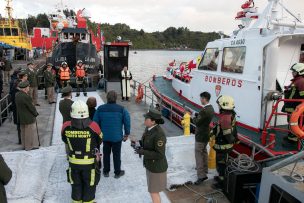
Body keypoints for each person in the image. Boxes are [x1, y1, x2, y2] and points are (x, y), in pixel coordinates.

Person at [61, 100, 102, 203]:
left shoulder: (66, 126)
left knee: (76, 186)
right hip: (89, 163)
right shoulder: (94, 126)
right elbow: (100, 140)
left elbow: (64, 139)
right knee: (90, 186)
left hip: (73, 162)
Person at [93, 90, 130, 178]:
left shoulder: (100, 109)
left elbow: (95, 123)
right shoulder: (122, 109)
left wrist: (98, 134)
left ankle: (106, 171)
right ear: (116, 98)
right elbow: (127, 122)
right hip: (117, 137)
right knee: (117, 155)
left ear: (107, 98)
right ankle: (117, 172)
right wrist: (126, 134)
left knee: (106, 154)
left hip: (105, 137)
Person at [135, 108, 168, 203]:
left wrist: (143, 152)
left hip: (156, 168)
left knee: (154, 192)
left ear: (153, 121)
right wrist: (139, 143)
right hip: (150, 165)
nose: (144, 120)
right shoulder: (148, 128)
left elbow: (160, 154)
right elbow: (147, 141)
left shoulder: (159, 134)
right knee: (152, 190)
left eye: (147, 118)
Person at [212, 95, 238, 189]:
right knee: (222, 164)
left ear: (223, 105)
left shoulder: (225, 118)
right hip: (226, 146)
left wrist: (232, 140)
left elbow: (227, 134)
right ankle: (220, 177)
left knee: (221, 164)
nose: (218, 106)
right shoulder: (231, 114)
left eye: (219, 105)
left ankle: (221, 184)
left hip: (223, 147)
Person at [193, 92, 214, 185]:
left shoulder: (204, 110)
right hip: (206, 134)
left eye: (201, 98)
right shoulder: (211, 108)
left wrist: (193, 116)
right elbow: (204, 119)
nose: (200, 100)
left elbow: (197, 122)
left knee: (198, 154)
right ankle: (205, 169)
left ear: (205, 98)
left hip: (200, 135)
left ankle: (201, 175)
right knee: (204, 152)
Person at [282, 63, 304, 145]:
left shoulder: (301, 81)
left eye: (294, 71)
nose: (292, 73)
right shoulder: (297, 80)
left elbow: (302, 95)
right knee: (290, 121)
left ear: (300, 72)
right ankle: (290, 136)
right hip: (291, 106)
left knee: (294, 122)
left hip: (295, 107)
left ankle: (293, 139)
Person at [15, 81, 40, 151]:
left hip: (21, 117)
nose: (29, 88)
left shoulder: (17, 94)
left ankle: (24, 145)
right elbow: (31, 107)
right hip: (28, 117)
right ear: (25, 88)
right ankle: (29, 146)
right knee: (29, 133)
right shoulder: (26, 96)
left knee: (23, 132)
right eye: (28, 87)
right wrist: (35, 113)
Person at [9, 70, 27, 144]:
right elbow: (14, 98)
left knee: (21, 124)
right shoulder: (16, 87)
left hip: (19, 108)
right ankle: (21, 140)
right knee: (20, 124)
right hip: (18, 109)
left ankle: (22, 139)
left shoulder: (18, 84)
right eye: (26, 76)